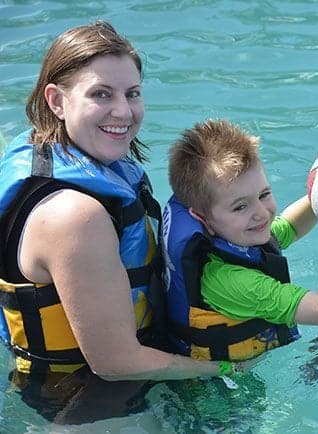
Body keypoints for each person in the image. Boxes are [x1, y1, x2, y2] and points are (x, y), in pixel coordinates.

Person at [0, 21, 239, 423]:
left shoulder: (66, 157)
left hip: (102, 390)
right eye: (101, 94)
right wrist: (226, 368)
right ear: (56, 101)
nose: (124, 112)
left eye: (132, 93)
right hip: (89, 408)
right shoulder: (76, 215)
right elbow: (115, 363)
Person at [162, 118, 318, 363]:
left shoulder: (234, 236)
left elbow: (290, 227)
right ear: (203, 218)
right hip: (216, 390)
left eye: (264, 194)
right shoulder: (232, 280)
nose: (261, 212)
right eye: (240, 206)